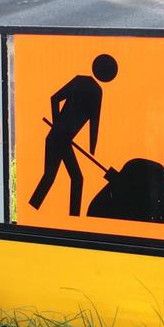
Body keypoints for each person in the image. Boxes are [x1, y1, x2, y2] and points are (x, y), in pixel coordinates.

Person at [29, 54, 118, 216]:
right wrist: (59, 128)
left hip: (61, 139)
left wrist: (92, 148)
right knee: (67, 178)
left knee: (54, 178)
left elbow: (94, 122)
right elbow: (55, 99)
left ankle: (37, 208)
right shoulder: (90, 88)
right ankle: (69, 217)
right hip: (58, 139)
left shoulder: (88, 86)